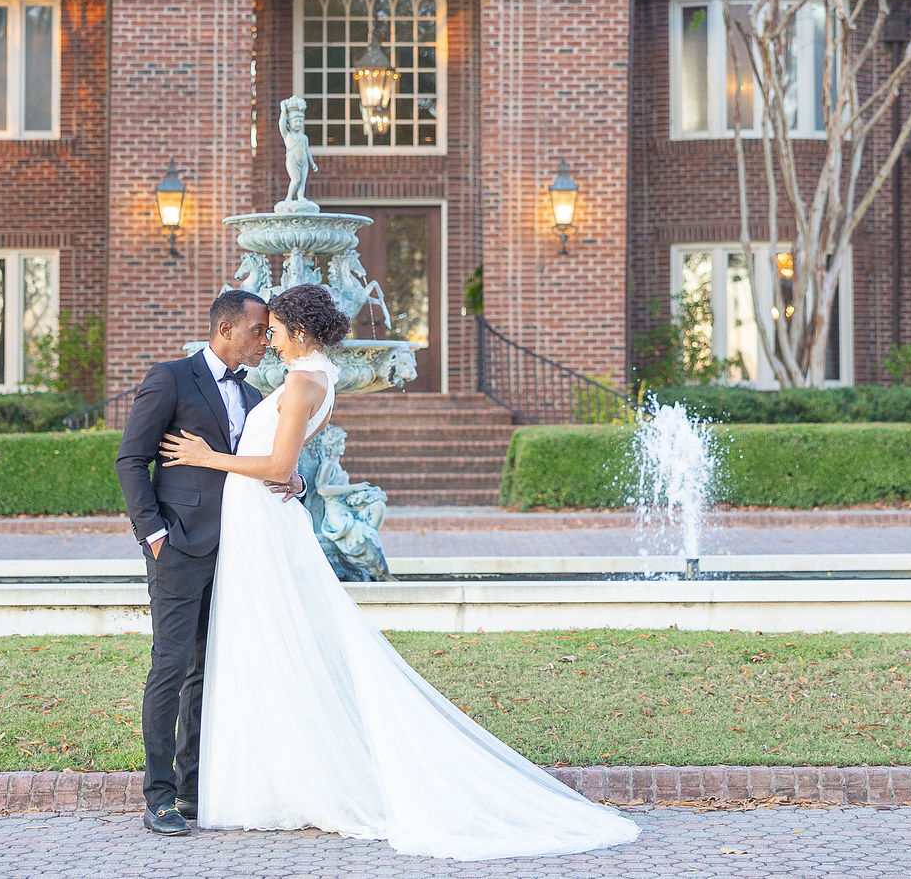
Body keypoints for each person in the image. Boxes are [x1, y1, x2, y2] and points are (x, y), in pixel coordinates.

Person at [159, 283, 639, 861]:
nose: (269, 338)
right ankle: (260, 774)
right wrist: (294, 481)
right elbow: (291, 467)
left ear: (300, 332)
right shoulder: (317, 379)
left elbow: (280, 462)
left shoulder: (303, 380)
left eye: (276, 329)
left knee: (270, 641)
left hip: (262, 523)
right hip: (259, 518)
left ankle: (284, 781)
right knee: (262, 643)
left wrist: (208, 457)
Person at [115, 288, 304, 837]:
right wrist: (153, 533)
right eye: (257, 331)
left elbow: (268, 461)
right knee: (170, 667)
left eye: (270, 333)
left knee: (208, 668)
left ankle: (194, 791)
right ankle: (159, 798)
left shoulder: (253, 394)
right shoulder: (170, 378)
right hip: (178, 547)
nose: (266, 341)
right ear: (226, 329)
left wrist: (295, 480)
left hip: (240, 549)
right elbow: (132, 458)